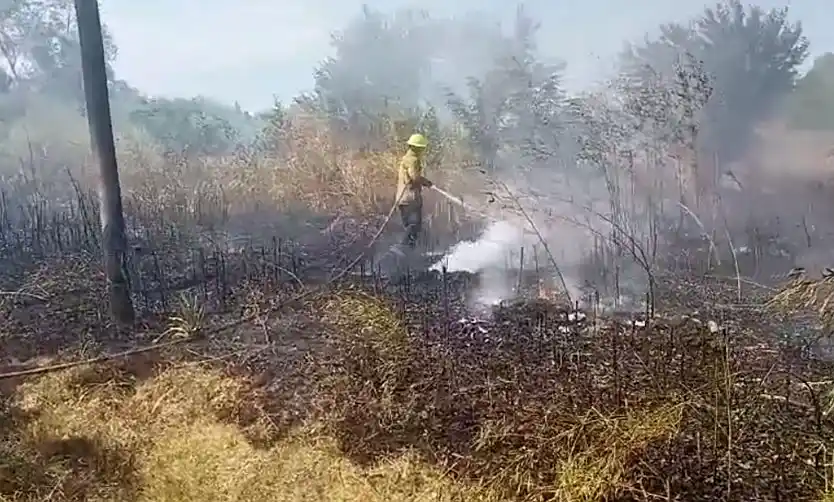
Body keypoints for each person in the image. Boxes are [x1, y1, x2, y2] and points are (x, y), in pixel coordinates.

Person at [394, 133, 432, 253]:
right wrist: (427, 182)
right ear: (418, 148)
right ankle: (402, 248)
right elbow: (415, 177)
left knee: (409, 227)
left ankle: (406, 253)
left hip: (402, 199)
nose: (423, 151)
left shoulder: (405, 158)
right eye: (422, 148)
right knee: (414, 226)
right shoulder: (413, 160)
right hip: (411, 199)